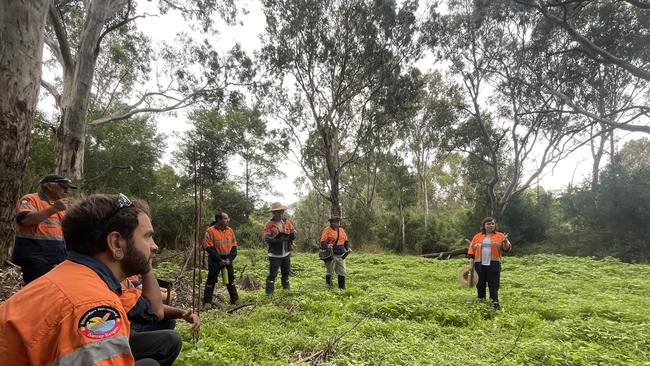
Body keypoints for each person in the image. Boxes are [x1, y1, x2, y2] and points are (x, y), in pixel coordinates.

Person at [0, 193, 175, 365]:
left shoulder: (64, 275)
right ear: (116, 243)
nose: (155, 246)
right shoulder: (94, 305)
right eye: (147, 236)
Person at [122, 272, 199, 365]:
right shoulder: (115, 279)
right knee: (171, 340)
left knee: (168, 321)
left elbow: (142, 304)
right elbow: (152, 310)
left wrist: (182, 313)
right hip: (119, 336)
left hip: (127, 326)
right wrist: (147, 269)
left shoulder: (124, 278)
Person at [12, 174, 77, 284]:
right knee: (37, 290)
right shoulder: (30, 199)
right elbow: (25, 220)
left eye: (68, 188)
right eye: (63, 186)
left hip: (56, 257)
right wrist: (54, 208)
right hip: (34, 257)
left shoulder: (61, 206)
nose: (67, 190)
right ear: (49, 186)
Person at [466, 217, 512, 310]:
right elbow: (472, 252)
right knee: (480, 287)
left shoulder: (500, 236)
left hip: (494, 265)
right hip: (479, 266)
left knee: (494, 287)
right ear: (484, 225)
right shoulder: (477, 236)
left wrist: (506, 241)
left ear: (495, 225)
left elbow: (507, 249)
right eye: (488, 224)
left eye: (492, 224)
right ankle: (481, 307)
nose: (491, 225)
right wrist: (471, 265)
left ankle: (495, 307)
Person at [202, 212, 239, 309]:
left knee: (230, 279)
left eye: (227, 218)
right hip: (215, 259)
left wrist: (230, 259)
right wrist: (219, 260)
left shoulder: (230, 230)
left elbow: (234, 247)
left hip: (228, 258)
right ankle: (207, 302)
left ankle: (234, 300)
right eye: (226, 218)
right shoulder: (210, 231)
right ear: (219, 220)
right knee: (211, 279)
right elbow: (208, 247)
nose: (228, 220)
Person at [262, 202, 296, 295]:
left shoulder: (287, 222)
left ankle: (286, 292)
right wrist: (278, 240)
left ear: (282, 211)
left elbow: (293, 234)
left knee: (286, 273)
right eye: (277, 212)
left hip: (286, 253)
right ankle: (269, 294)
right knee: (272, 275)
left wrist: (291, 236)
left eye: (280, 211)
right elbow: (267, 238)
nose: (279, 213)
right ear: (273, 213)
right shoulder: (269, 224)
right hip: (274, 254)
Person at [319, 215, 352, 289]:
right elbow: (322, 242)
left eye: (338, 221)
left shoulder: (342, 230)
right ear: (331, 222)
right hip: (331, 254)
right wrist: (327, 246)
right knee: (330, 272)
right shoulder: (327, 230)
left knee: (342, 272)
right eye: (335, 222)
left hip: (341, 254)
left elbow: (346, 241)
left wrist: (348, 248)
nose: (336, 223)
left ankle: (342, 288)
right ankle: (329, 287)